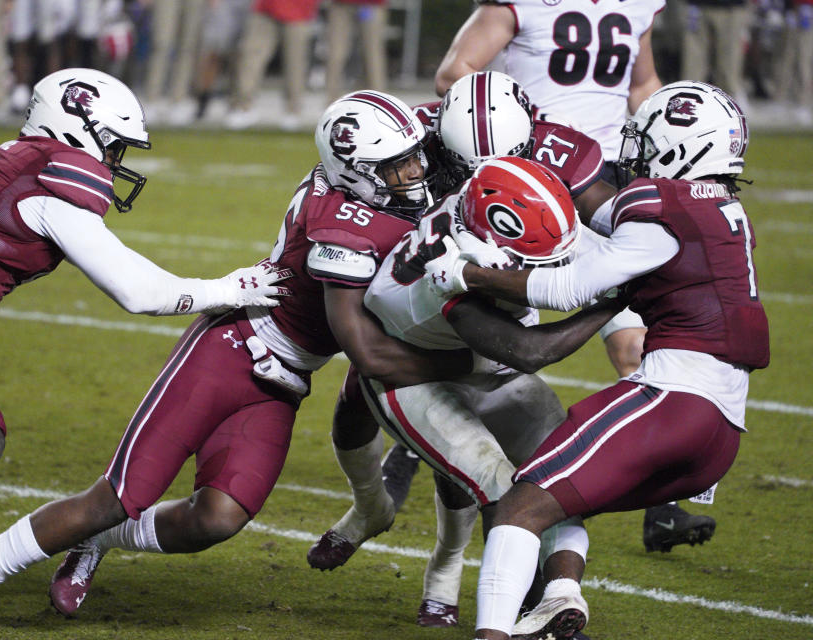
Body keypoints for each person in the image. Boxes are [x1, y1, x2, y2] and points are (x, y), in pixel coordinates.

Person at [0, 90, 480, 637]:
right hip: (231, 347)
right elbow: (366, 351)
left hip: (285, 380)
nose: (415, 171)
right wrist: (477, 361)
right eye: (396, 164)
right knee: (118, 497)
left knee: (217, 518)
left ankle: (94, 542)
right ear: (353, 173)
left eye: (415, 155)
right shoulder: (341, 221)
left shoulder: (367, 187)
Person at [0, 66, 290, 640]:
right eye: (113, 145)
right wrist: (228, 289)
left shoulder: (20, 157)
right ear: (77, 126)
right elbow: (137, 292)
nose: (115, 163)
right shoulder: (49, 177)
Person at [425, 80, 768, 639]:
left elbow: (568, 287)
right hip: (722, 430)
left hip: (671, 401)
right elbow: (604, 230)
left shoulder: (662, 203)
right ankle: (557, 601)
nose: (634, 152)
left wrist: (468, 273)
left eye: (646, 140)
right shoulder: (724, 212)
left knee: (519, 506)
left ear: (682, 148)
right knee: (555, 497)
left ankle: (490, 632)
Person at [308, 71, 608, 631]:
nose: (415, 171)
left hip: (475, 348)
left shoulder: (486, 196)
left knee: (558, 471)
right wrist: (610, 305)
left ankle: (562, 594)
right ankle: (495, 602)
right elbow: (528, 350)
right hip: (411, 373)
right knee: (502, 490)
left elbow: (581, 238)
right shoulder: (456, 274)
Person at [430, 1, 718, 553]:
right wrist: (522, 124)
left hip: (602, 185)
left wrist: (669, 152)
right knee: (486, 335)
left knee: (635, 344)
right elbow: (454, 73)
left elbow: (645, 84)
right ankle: (408, 453)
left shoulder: (636, 4)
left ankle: (662, 507)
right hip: (526, 180)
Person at [224, 0, 320, 130]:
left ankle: (293, 110)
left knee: (295, 63)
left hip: (299, 10)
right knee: (250, 58)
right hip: (266, 9)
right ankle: (242, 106)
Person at [324, 0, 388, 104]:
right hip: (347, 4)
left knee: (372, 53)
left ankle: (332, 100)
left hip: (368, 5)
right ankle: (379, 99)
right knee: (372, 53)